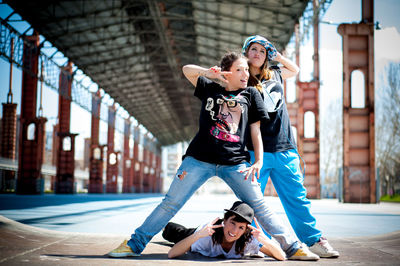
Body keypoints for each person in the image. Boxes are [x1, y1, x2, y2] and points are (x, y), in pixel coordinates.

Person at [107, 51, 319, 260]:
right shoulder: (211, 88)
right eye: (239, 70)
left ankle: (293, 247)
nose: (246, 73)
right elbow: (187, 71)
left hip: (235, 163)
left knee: (260, 206)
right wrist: (210, 73)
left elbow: (255, 131)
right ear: (227, 73)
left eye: (247, 69)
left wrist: (259, 161)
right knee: (170, 203)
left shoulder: (252, 95)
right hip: (199, 159)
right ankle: (134, 244)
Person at [242, 35, 339, 258]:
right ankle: (252, 243)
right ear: (246, 52)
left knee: (297, 199)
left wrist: (278, 55)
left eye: (262, 51)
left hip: (285, 148)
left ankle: (314, 241)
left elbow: (294, 69)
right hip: (254, 151)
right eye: (253, 49)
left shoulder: (276, 73)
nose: (257, 53)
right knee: (251, 202)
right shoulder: (242, 77)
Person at [163, 201, 286, 260]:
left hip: (201, 237)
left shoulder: (248, 240)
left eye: (241, 227)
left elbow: (281, 257)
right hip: (196, 235)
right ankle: (165, 226)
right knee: (175, 232)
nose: (234, 231)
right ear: (225, 220)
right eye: (232, 223)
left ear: (245, 231)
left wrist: (267, 242)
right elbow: (172, 254)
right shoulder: (208, 234)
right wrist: (197, 235)